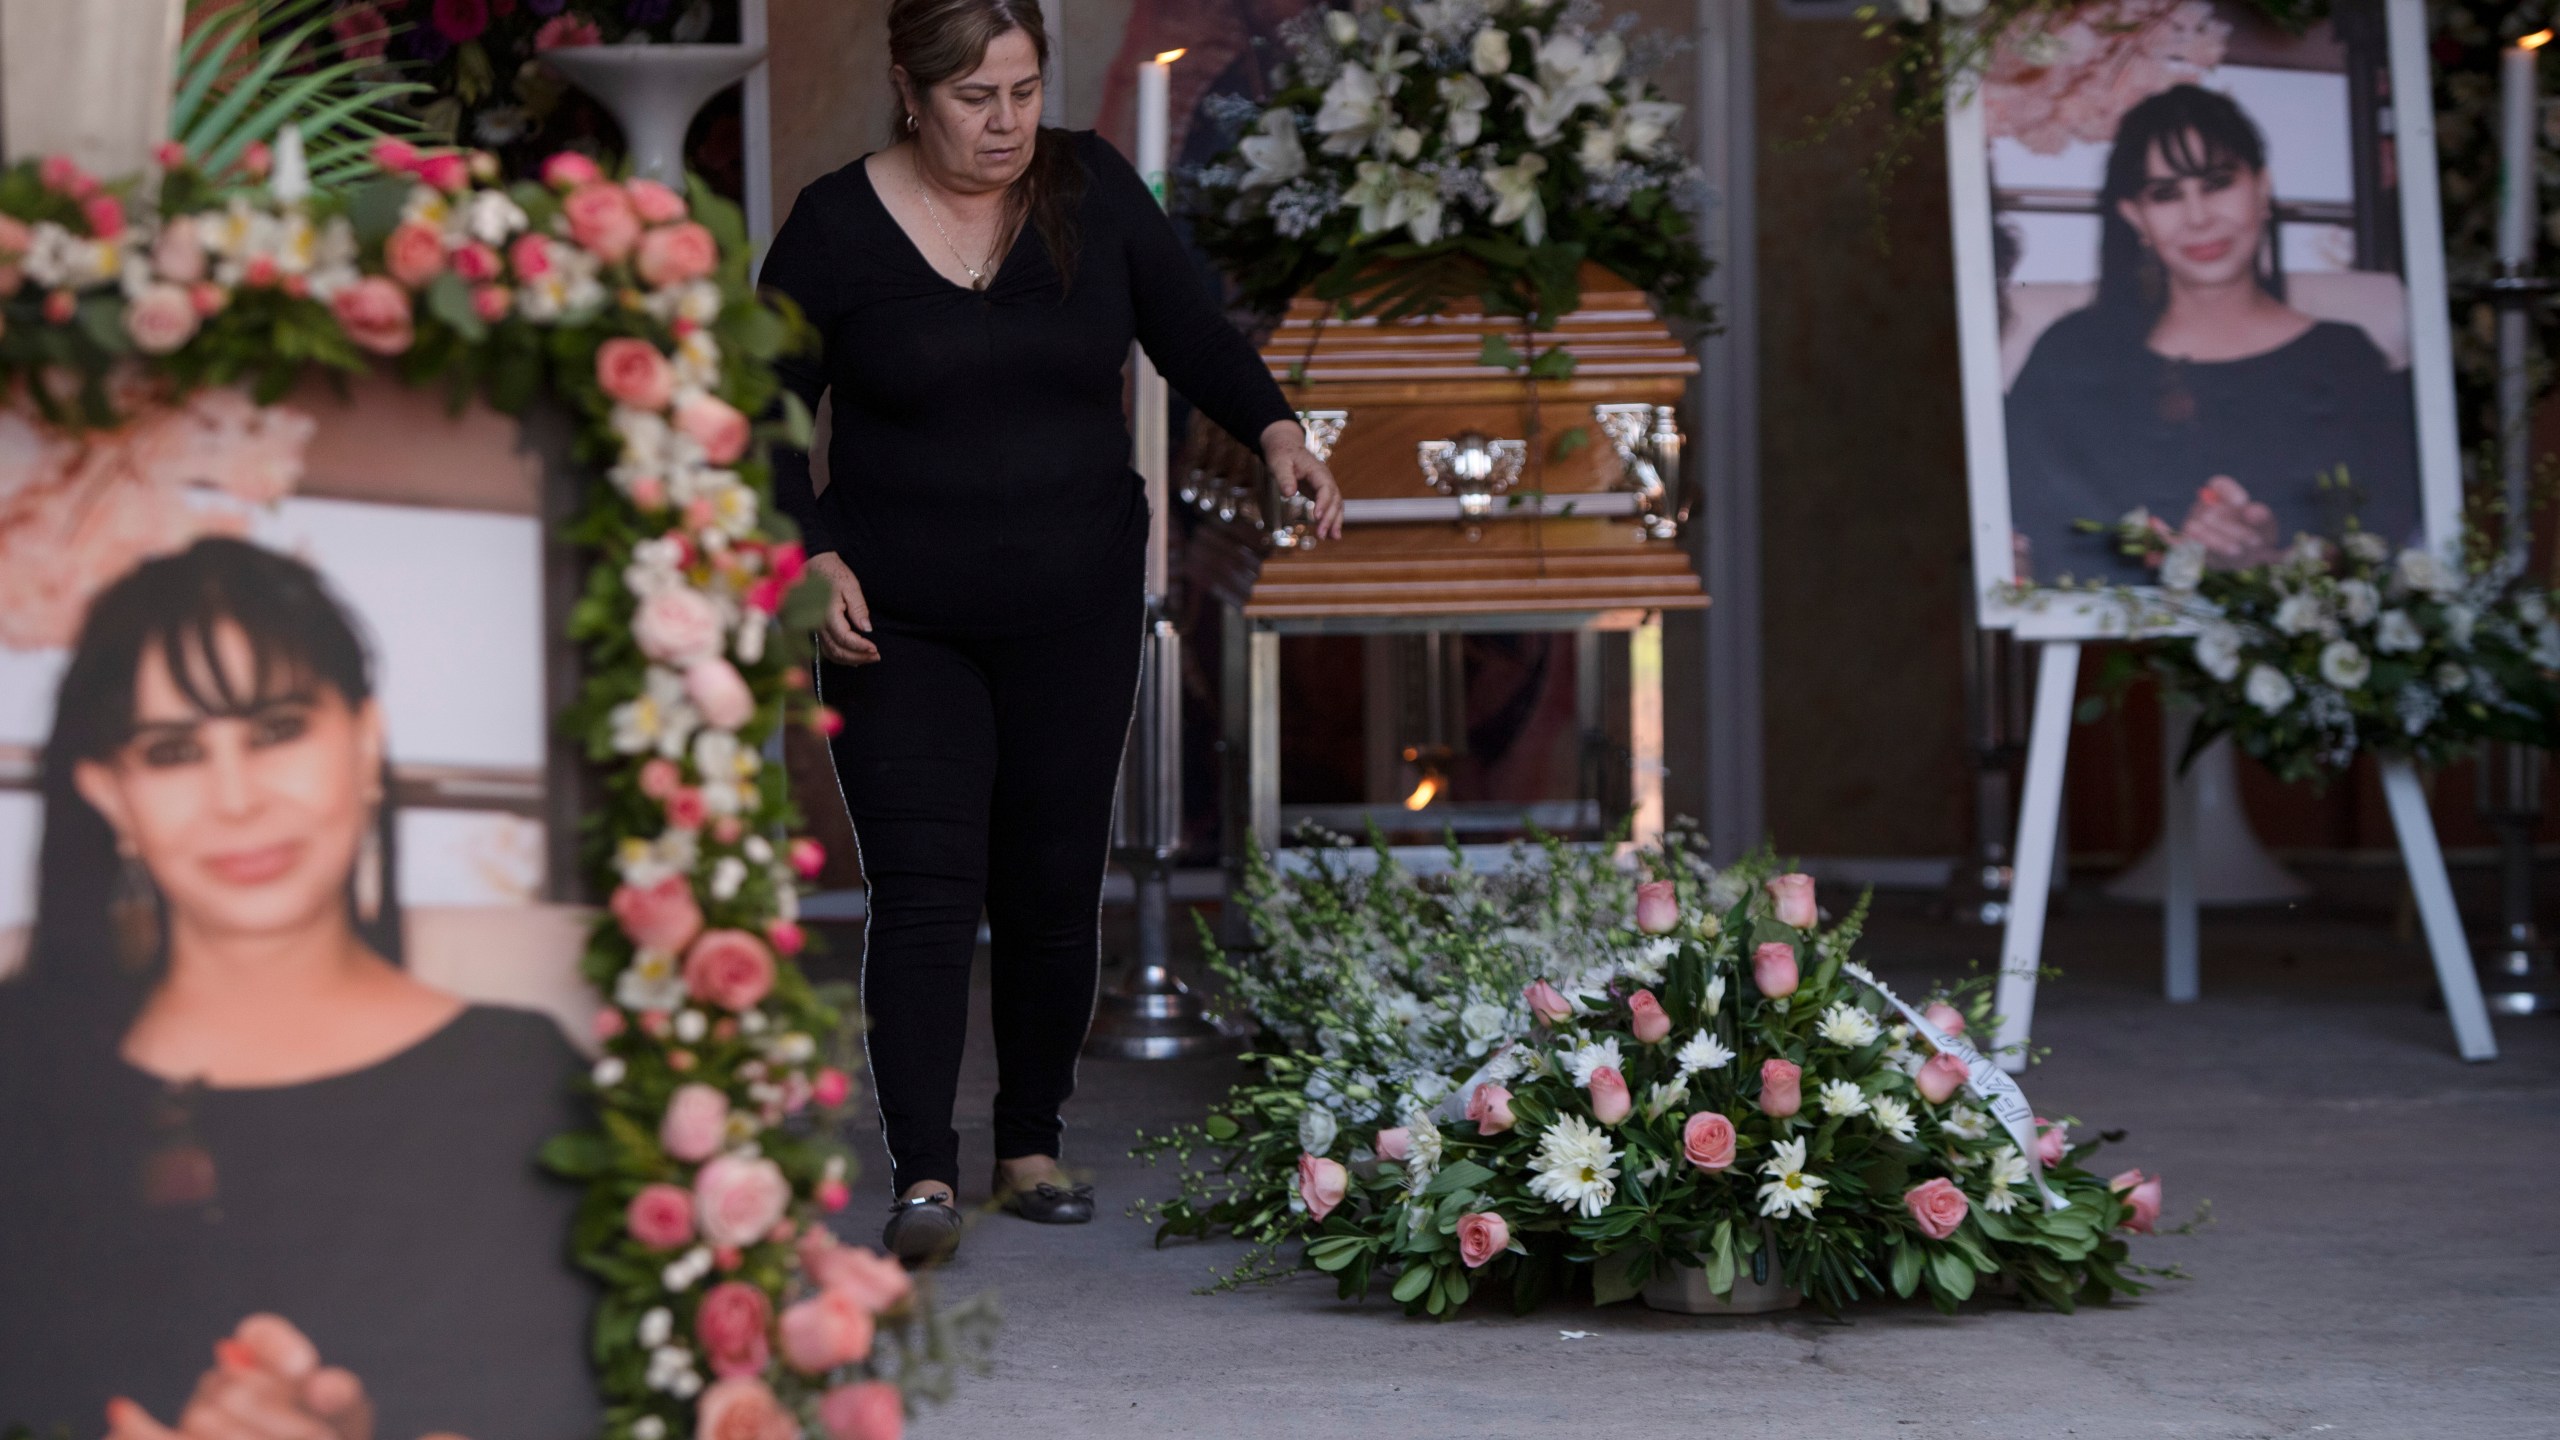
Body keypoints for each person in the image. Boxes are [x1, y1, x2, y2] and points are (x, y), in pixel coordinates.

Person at [759, 0, 1342, 1263]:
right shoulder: (832, 227)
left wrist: (1280, 431)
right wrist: (805, 554)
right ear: (910, 94)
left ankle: (1030, 1142)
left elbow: (1191, 334)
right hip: (895, 618)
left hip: (1073, 606)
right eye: (976, 99)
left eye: (1023, 91)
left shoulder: (1089, 187)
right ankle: (921, 1174)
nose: (1007, 123)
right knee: (921, 891)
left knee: (1049, 881)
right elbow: (754, 408)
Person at [0, 539, 595, 1438]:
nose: (236, 798)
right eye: (172, 752)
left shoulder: (523, 1081)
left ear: (366, 742)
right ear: (110, 795)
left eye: (276, 730)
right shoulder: (19, 1071)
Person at [2004, 83, 2420, 584]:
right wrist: (2173, 553)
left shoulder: (2347, 360)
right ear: (2135, 216)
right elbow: (2036, 528)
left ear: (2262, 188)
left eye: (2218, 183)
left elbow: (2384, 538)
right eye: (2166, 194)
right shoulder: (2071, 358)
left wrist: (2274, 560)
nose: (2199, 218)